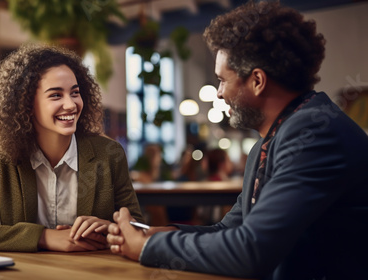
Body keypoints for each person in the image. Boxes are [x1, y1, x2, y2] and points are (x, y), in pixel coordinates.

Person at [107, 2, 368, 279]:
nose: (219, 93)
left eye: (222, 80)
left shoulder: (314, 135)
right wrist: (159, 233)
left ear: (257, 80)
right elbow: (230, 231)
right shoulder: (269, 142)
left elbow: (250, 252)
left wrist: (148, 247)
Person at [0, 44, 144, 252]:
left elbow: (139, 229)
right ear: (25, 104)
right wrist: (44, 237)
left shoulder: (109, 154)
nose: (70, 105)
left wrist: (112, 229)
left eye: (75, 93)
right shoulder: (1, 159)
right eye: (56, 95)